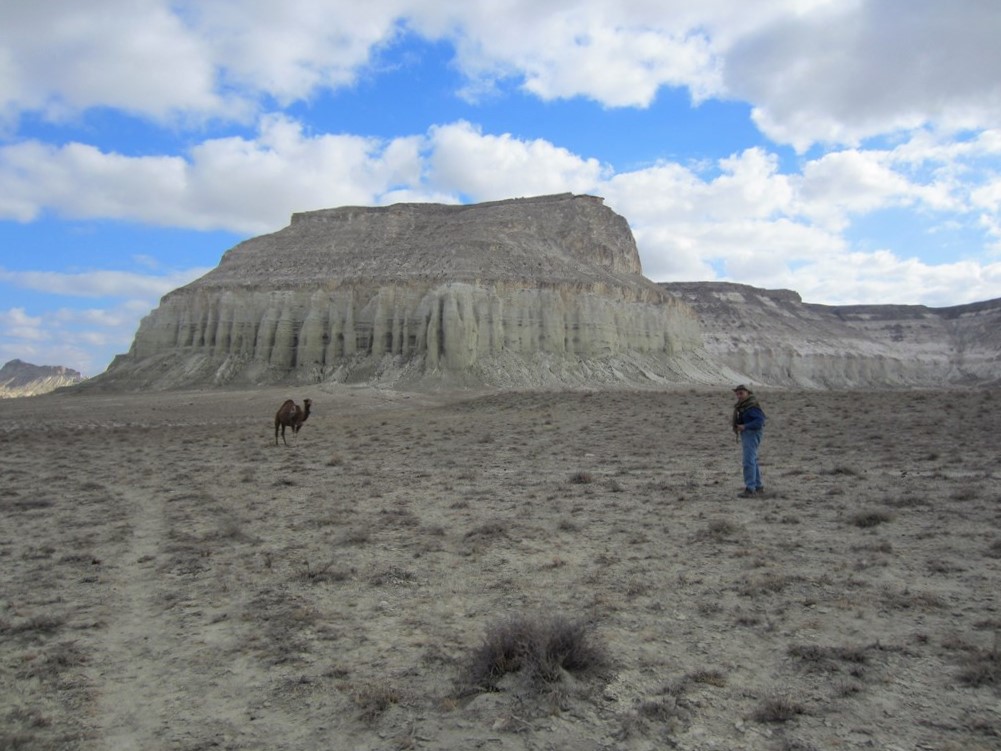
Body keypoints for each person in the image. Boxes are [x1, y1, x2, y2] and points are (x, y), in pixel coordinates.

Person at [732, 385, 766, 497]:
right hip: (748, 434)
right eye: (737, 393)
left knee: (748, 461)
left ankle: (750, 489)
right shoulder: (744, 406)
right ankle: (758, 486)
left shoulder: (751, 406)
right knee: (753, 460)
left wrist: (745, 426)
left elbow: (760, 421)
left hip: (751, 433)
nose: (739, 396)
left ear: (747, 393)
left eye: (741, 393)